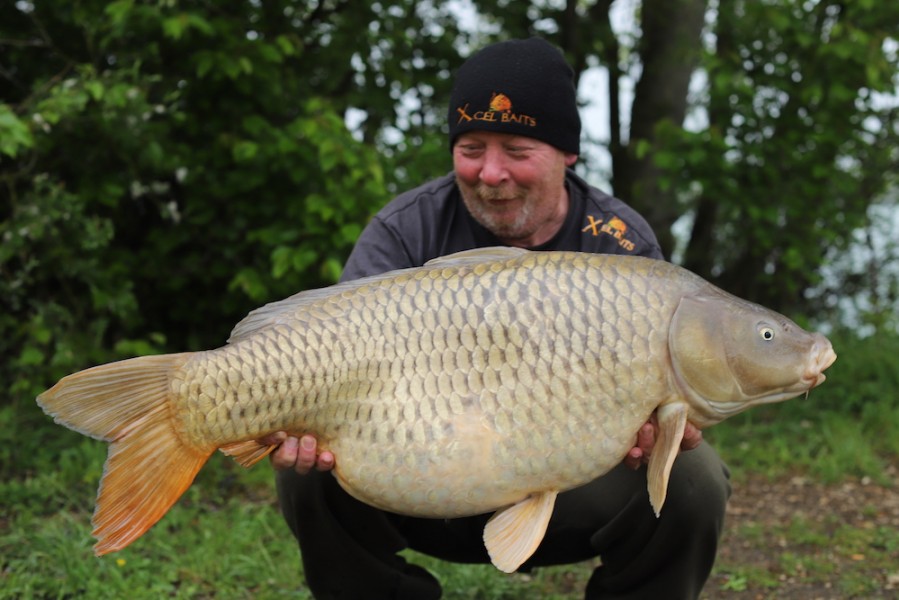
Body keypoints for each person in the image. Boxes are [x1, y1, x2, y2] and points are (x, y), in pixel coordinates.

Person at [263, 37, 731, 599]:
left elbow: (662, 403)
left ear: (567, 153)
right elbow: (329, 355)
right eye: (471, 147)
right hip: (417, 479)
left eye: (516, 148)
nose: (490, 172)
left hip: (569, 485)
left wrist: (659, 425)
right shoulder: (404, 231)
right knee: (303, 471)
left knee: (693, 479)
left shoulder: (618, 244)